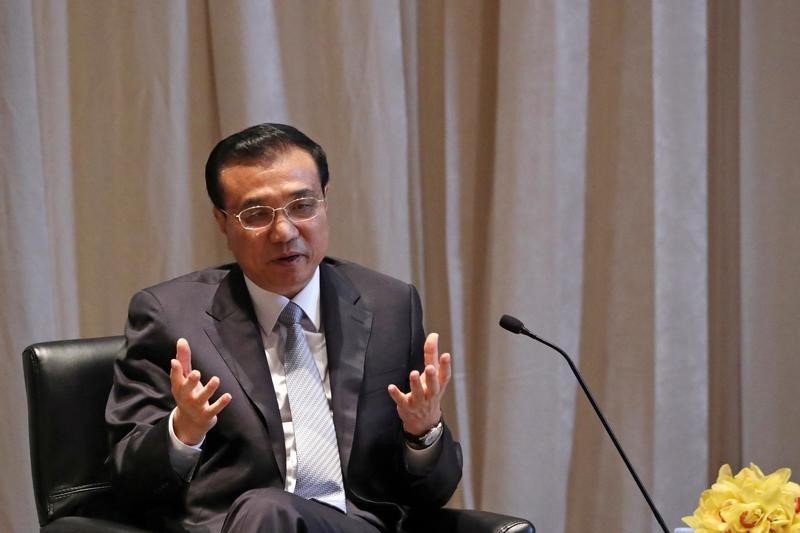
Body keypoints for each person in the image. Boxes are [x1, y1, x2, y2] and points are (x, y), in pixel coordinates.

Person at [106, 123, 462, 532]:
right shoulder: (171, 317)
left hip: (356, 526)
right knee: (268, 512)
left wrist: (423, 432)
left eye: (302, 206)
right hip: (238, 525)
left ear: (325, 201)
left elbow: (434, 493)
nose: (285, 231)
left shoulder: (390, 306)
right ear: (222, 222)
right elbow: (128, 479)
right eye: (256, 214)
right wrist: (183, 432)